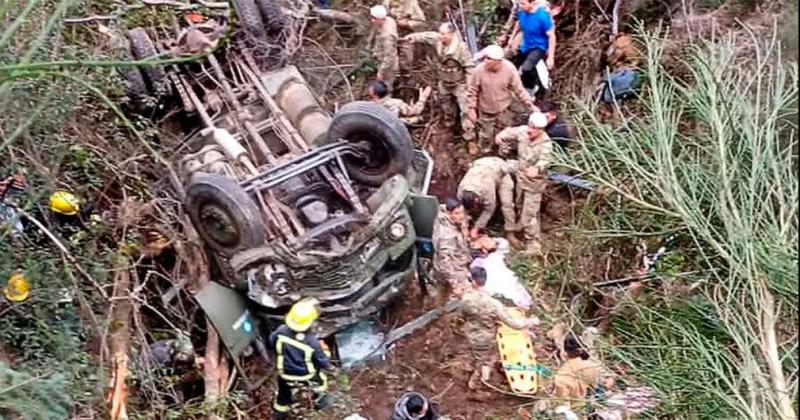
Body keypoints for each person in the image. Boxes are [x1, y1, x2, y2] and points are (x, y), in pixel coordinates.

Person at [455, 266, 539, 389]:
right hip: (486, 338)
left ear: (472, 281)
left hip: (472, 335)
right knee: (483, 362)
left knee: (478, 356)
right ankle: (474, 384)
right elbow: (515, 324)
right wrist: (530, 321)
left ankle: (480, 370)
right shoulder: (494, 304)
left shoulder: (466, 300)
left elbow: (462, 316)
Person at [403, 23, 475, 142]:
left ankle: (469, 136)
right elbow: (428, 36)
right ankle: (449, 124)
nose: (440, 36)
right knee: (446, 105)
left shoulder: (461, 48)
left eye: (443, 34)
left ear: (451, 34)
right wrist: (414, 37)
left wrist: (469, 87)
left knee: (465, 110)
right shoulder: (438, 40)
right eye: (440, 33)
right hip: (443, 81)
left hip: (459, 84)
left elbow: (469, 67)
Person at [495, 112, 553, 254]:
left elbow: (545, 160)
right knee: (520, 205)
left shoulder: (546, 144)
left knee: (529, 214)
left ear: (541, 130)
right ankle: (520, 230)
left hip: (534, 185)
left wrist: (537, 168)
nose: (529, 130)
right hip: (521, 179)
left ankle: (533, 244)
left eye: (534, 128)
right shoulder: (523, 132)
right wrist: (501, 135)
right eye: (529, 126)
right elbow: (511, 131)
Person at [269, 298, 334, 420]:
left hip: (285, 374)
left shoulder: (281, 331)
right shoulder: (312, 341)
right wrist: (328, 359)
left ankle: (279, 414)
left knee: (283, 394)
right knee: (321, 383)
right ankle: (321, 405)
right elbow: (322, 361)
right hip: (306, 376)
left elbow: (271, 342)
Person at [466, 44, 536, 156]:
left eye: (489, 59)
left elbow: (519, 89)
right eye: (485, 58)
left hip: (504, 106)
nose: (485, 61)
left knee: (505, 130)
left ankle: (502, 151)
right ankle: (485, 152)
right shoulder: (479, 71)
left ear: (498, 61)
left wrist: (528, 102)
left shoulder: (509, 69)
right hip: (486, 108)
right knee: (486, 134)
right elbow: (472, 90)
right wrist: (471, 108)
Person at [457, 157, 521, 248]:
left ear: (477, 199)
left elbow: (489, 209)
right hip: (480, 166)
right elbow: (462, 210)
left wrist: (476, 228)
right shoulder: (461, 190)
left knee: (507, 204)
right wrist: (464, 228)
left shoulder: (486, 188)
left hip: (499, 171)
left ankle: (510, 233)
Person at [511, 0, 557, 96]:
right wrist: (511, 38)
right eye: (519, 3)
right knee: (514, 66)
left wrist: (551, 57)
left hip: (538, 46)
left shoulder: (542, 16)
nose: (521, 6)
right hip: (526, 45)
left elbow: (551, 36)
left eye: (523, 4)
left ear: (532, 3)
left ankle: (532, 89)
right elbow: (519, 24)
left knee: (526, 68)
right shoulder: (522, 12)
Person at [431, 198, 471, 295]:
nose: (461, 216)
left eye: (462, 212)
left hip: (459, 262)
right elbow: (444, 261)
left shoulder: (451, 220)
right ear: (449, 214)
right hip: (452, 271)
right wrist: (455, 284)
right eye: (457, 213)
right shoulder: (446, 235)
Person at [369, 5, 400, 91]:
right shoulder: (389, 20)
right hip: (382, 59)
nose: (372, 20)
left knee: (385, 88)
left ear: (381, 19)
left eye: (375, 18)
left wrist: (381, 72)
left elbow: (389, 56)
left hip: (388, 67)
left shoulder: (387, 36)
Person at [367, 79, 432, 119]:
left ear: (373, 94)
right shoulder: (397, 103)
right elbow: (415, 111)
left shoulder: (369, 107)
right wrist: (422, 99)